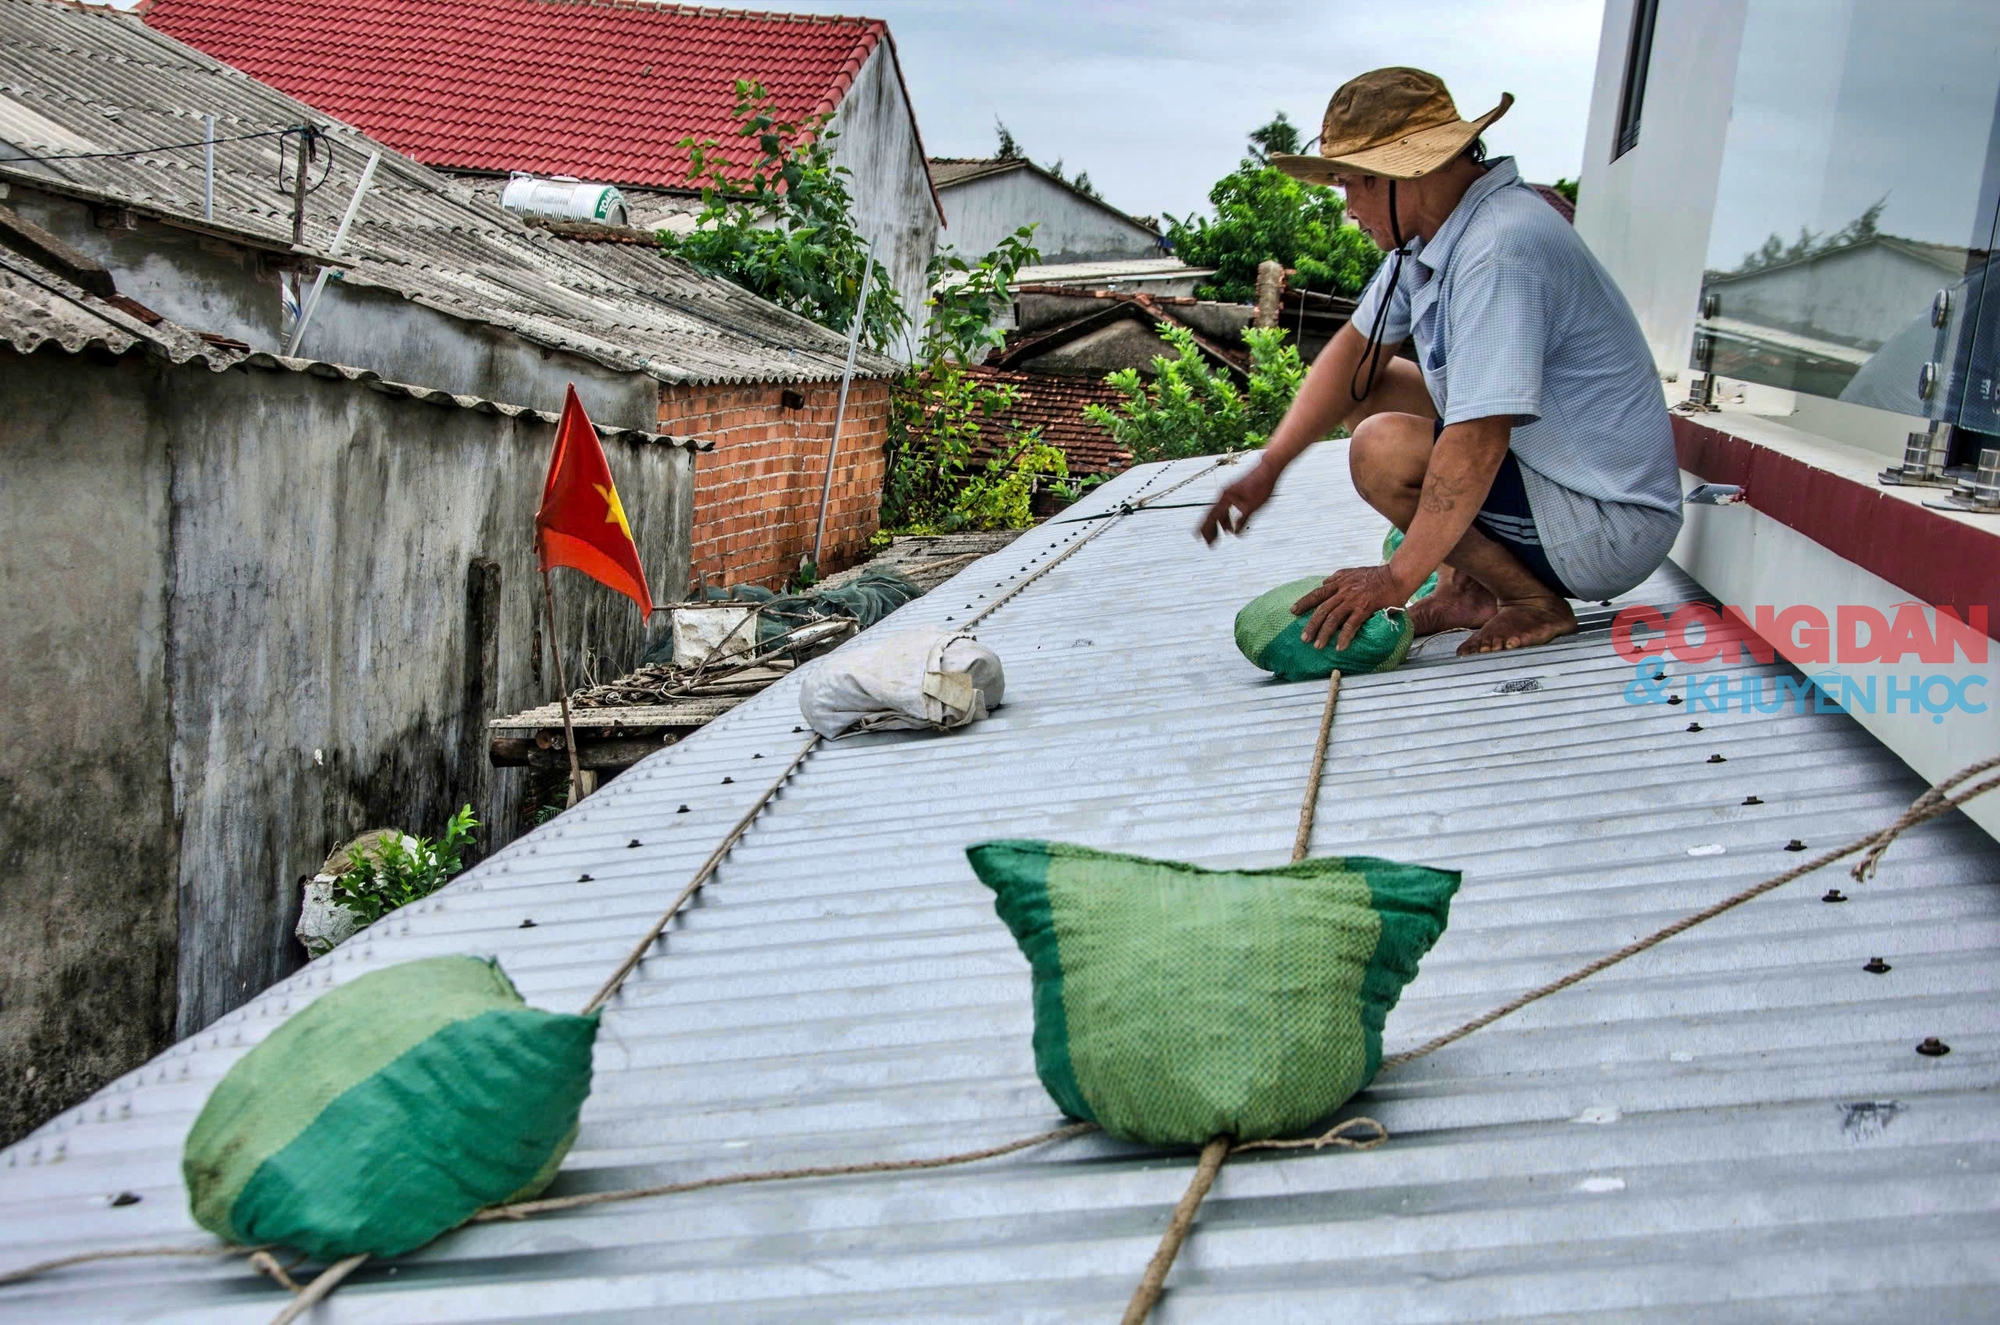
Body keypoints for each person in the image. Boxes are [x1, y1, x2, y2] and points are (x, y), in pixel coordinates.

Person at [1198, 68, 1684, 656]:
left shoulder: (1500, 247)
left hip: (1606, 523)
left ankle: (1528, 600)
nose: (1349, 206)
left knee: (1380, 449)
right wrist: (1269, 467)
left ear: (1410, 170)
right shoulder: (1434, 237)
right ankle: (1467, 588)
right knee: (1373, 390)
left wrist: (1397, 578)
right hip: (1559, 475)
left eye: (1356, 183)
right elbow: (1352, 357)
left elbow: (1479, 437)